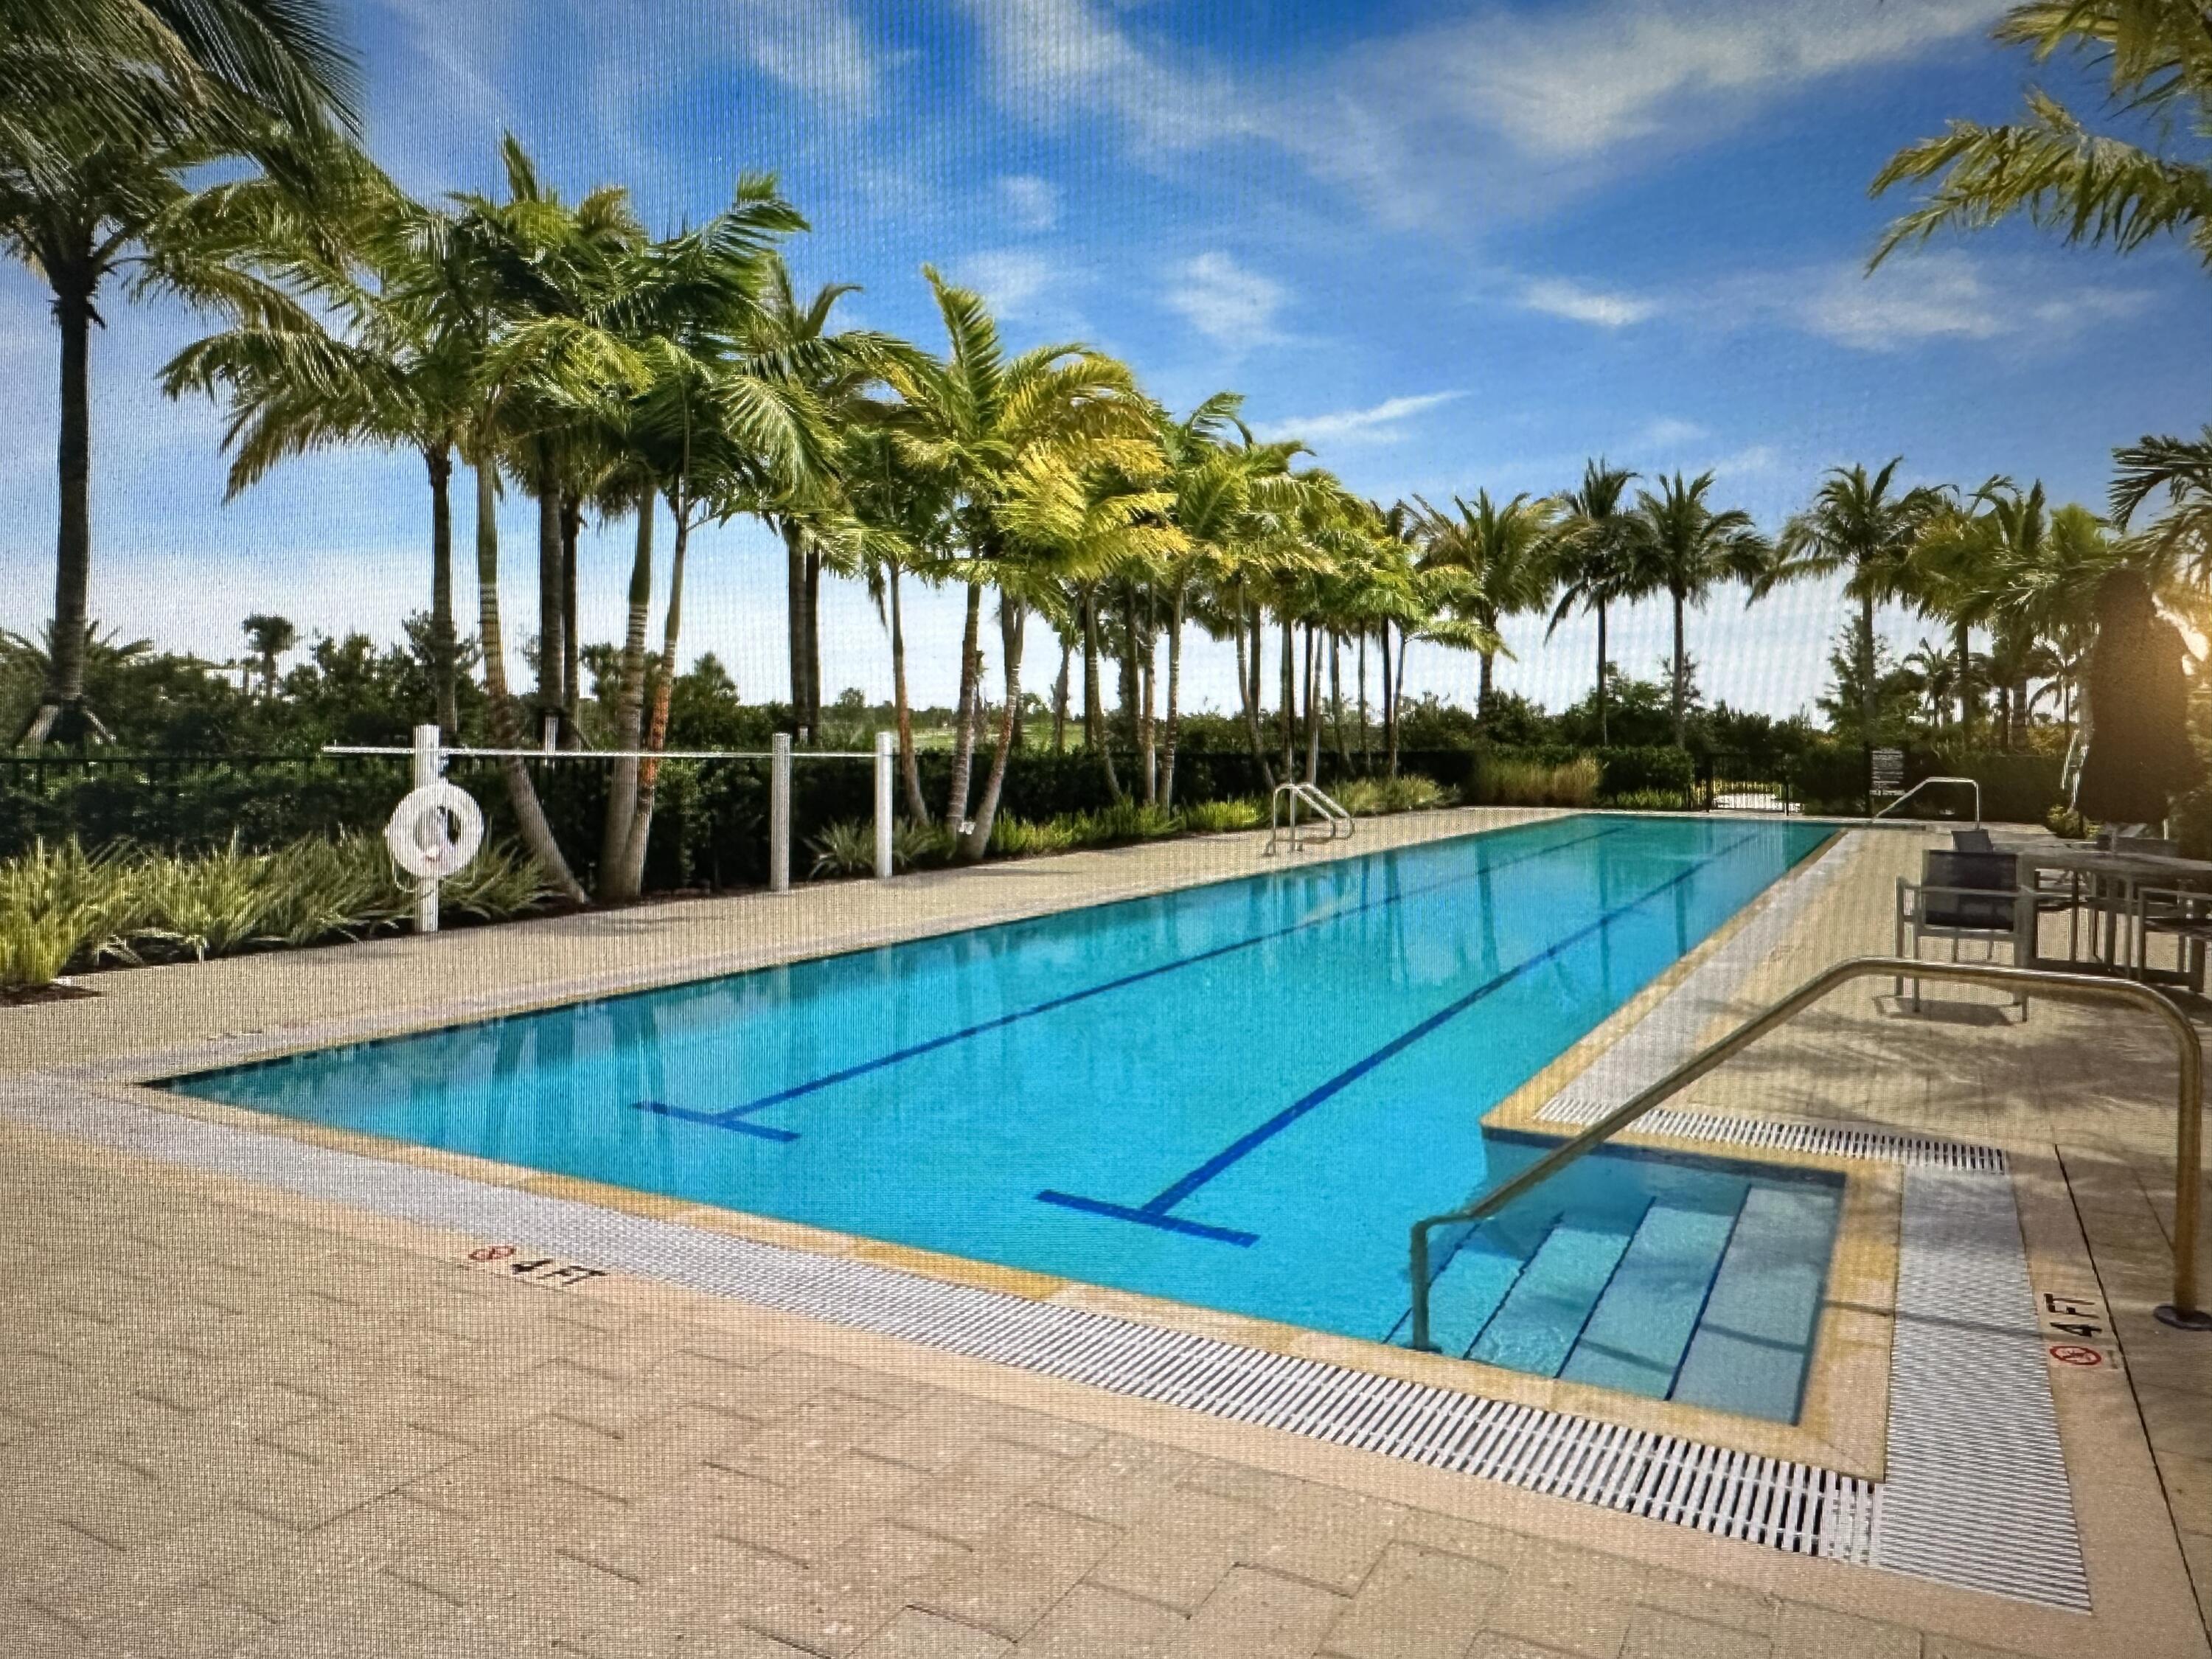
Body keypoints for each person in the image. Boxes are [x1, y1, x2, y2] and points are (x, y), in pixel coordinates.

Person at [2076, 568, 2202, 832]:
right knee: (2144, 819)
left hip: (2128, 745)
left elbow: (2104, 703)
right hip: (2145, 743)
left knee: (2132, 820)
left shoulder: (2111, 643)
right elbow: (2174, 697)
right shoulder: (2144, 640)